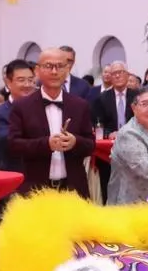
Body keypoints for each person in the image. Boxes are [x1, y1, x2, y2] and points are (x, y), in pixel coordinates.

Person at [7, 47, 96, 197]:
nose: (54, 72)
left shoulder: (80, 105)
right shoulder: (22, 106)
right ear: (37, 70)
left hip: (73, 190)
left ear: (67, 69)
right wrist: (46, 144)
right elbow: (13, 145)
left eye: (60, 66)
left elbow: (91, 145)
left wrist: (75, 142)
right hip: (35, 190)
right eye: (48, 66)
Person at [0, 59, 35, 172]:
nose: (27, 85)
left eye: (30, 80)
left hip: (40, 176)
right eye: (21, 80)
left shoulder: (41, 109)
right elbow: (9, 142)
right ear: (8, 82)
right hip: (14, 175)